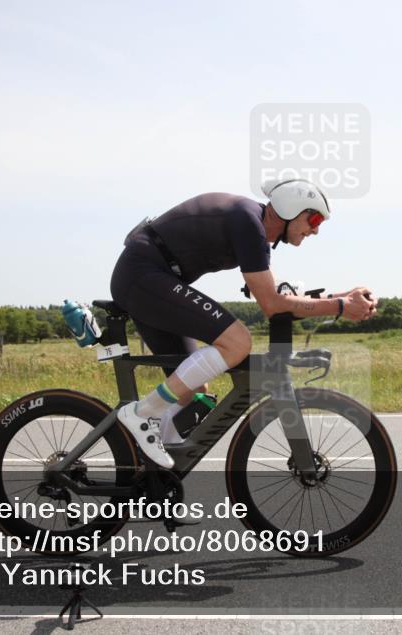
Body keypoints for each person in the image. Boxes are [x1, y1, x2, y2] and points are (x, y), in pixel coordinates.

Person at [110, 179, 378, 472]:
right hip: (142, 275)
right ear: (291, 208)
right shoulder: (247, 222)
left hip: (153, 280)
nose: (315, 230)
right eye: (313, 219)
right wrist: (340, 306)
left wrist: (342, 297)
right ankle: (142, 414)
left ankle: (155, 478)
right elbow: (272, 304)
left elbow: (276, 297)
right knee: (237, 341)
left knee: (192, 389)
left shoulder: (256, 233)